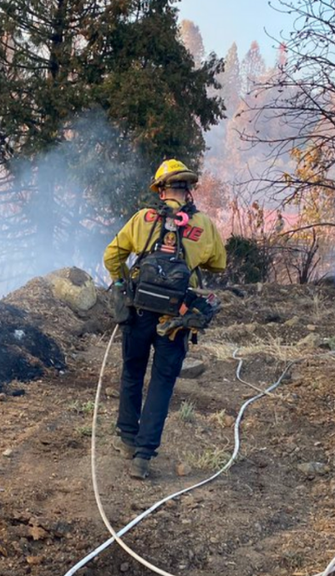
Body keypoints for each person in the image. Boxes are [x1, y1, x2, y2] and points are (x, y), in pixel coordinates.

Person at [103, 159, 227, 480]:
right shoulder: (205, 226)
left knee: (132, 371)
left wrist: (120, 283)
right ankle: (143, 457)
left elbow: (111, 256)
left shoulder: (143, 218)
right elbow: (219, 265)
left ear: (160, 190)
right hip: (178, 317)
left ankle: (128, 440)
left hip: (139, 311)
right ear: (188, 190)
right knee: (162, 382)